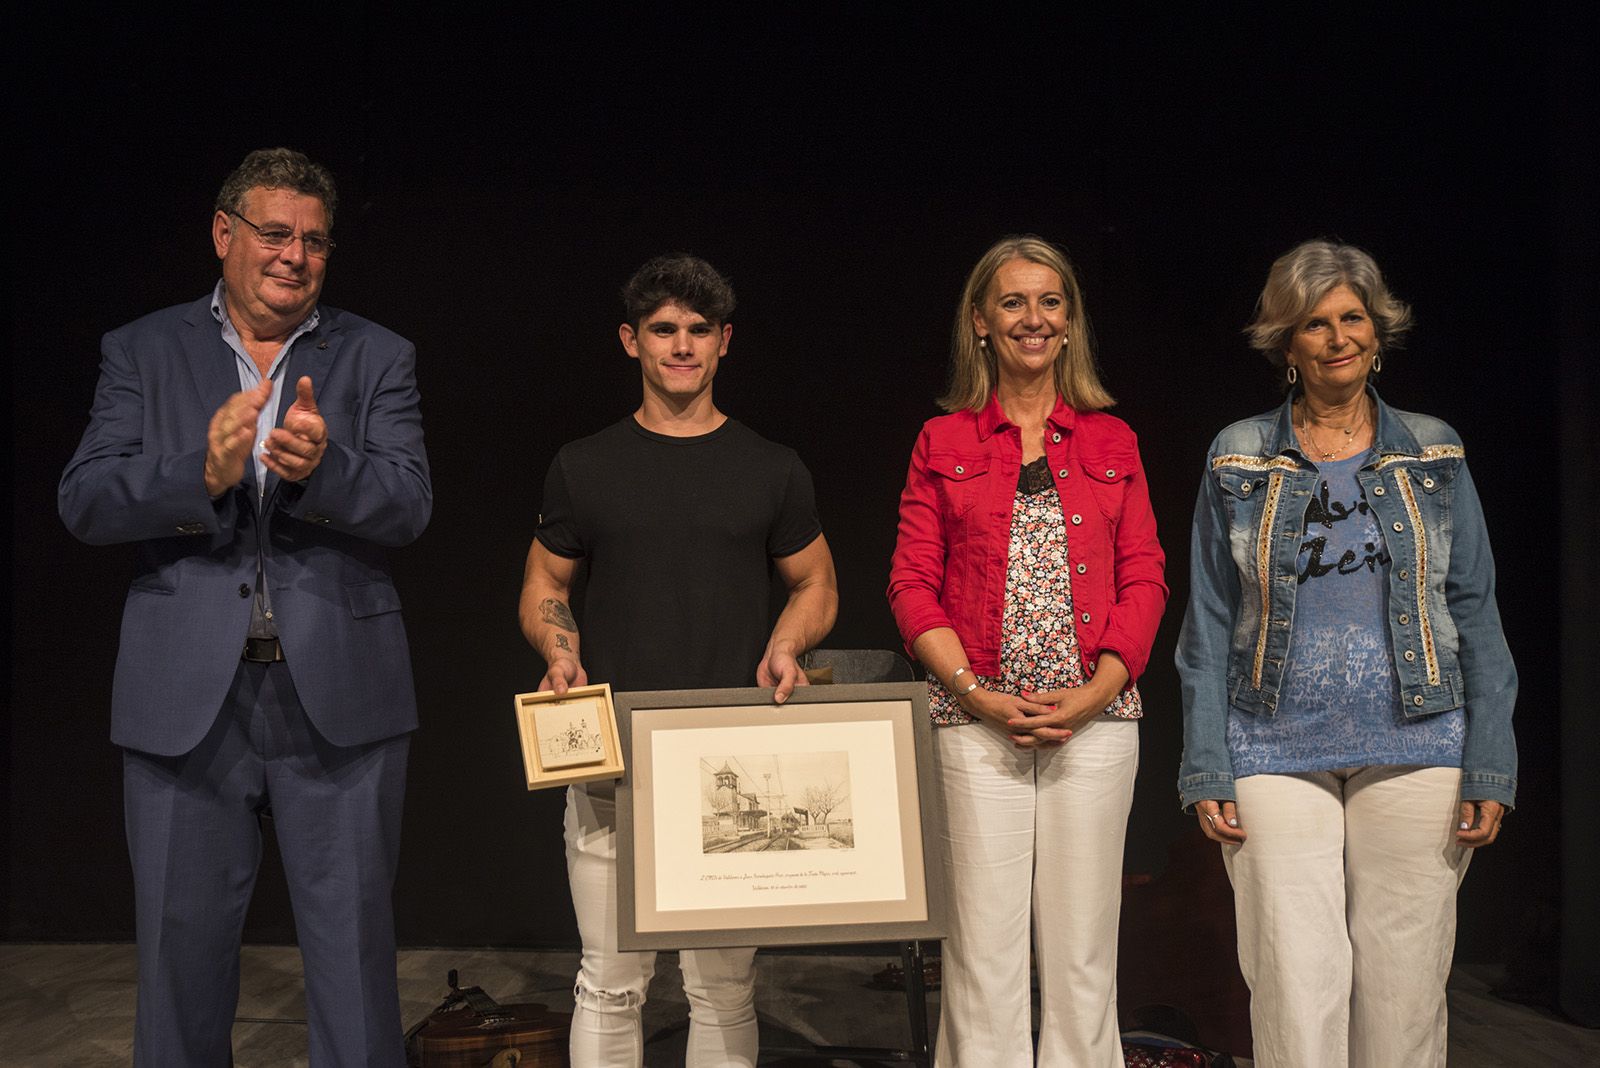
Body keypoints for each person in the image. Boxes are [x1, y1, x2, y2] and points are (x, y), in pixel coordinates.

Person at [58, 147, 431, 1066]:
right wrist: (205, 472)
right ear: (224, 233)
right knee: (178, 973)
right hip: (187, 705)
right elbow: (86, 500)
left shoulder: (377, 354)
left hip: (338, 705)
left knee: (353, 969)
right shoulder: (141, 350)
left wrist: (324, 470)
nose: (294, 255)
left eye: (314, 240)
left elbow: (411, 502)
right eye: (274, 233)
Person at [1175, 239, 1517, 1067]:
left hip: (1419, 744)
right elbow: (1209, 623)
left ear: (1377, 328)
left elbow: (1474, 608)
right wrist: (1206, 763)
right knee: (1295, 982)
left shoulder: (1433, 451)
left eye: (1352, 318)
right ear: (1286, 344)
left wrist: (1492, 760)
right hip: (1272, 746)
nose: (1338, 339)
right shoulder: (1239, 455)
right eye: (1315, 324)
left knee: (1404, 993)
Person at [518, 254, 838, 1068]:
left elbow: (815, 582)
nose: (682, 346)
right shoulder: (583, 465)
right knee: (609, 980)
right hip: (613, 758)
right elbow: (545, 580)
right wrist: (560, 649)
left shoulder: (771, 466)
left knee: (724, 986)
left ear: (725, 342)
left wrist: (788, 642)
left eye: (699, 330)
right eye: (664, 329)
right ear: (632, 341)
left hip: (726, 755)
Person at [887, 235, 1167, 1067]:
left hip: (1097, 723)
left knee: (1083, 956)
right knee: (982, 956)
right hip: (976, 727)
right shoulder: (942, 443)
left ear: (1070, 322)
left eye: (1050, 302)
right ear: (981, 321)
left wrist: (1095, 692)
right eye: (1013, 302)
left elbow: (1145, 576)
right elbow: (910, 584)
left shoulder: (1113, 441)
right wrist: (974, 693)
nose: (1032, 318)